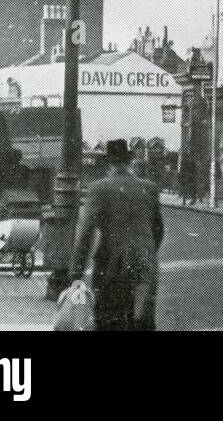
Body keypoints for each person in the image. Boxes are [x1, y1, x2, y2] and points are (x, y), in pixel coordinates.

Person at [71, 139, 165, 331]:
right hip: (145, 263)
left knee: (109, 321)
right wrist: (146, 251)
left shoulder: (98, 189)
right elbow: (158, 229)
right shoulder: (149, 188)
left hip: (112, 265)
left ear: (108, 163)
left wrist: (76, 273)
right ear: (129, 163)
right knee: (142, 323)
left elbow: (85, 235)